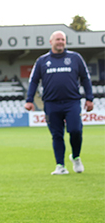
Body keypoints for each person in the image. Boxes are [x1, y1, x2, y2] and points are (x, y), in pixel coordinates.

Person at [24, 30, 94, 174]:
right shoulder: (42, 61)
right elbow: (34, 81)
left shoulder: (75, 58)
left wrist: (89, 98)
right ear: (51, 42)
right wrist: (29, 100)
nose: (60, 42)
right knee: (57, 135)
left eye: (62, 39)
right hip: (51, 103)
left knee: (75, 131)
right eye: (58, 39)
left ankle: (75, 157)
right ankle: (60, 166)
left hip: (72, 102)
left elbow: (85, 78)